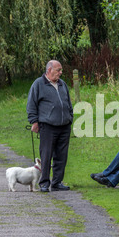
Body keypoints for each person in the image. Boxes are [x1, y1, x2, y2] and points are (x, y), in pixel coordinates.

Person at [26, 60, 73, 192]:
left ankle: (57, 182)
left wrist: (70, 118)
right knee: (46, 155)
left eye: (61, 70)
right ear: (49, 70)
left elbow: (68, 103)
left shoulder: (62, 84)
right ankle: (44, 183)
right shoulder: (38, 84)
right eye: (58, 70)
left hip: (64, 126)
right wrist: (34, 122)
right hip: (48, 126)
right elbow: (31, 104)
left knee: (61, 155)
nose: (60, 72)